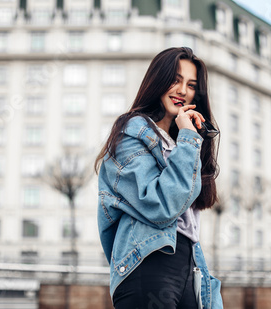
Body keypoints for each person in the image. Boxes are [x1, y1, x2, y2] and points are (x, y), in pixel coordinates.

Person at [95, 47, 223, 308]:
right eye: (175, 79)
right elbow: (162, 205)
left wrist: (188, 139)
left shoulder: (182, 144)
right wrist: (188, 139)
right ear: (158, 80)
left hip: (189, 262)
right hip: (149, 260)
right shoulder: (131, 133)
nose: (182, 90)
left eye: (191, 85)